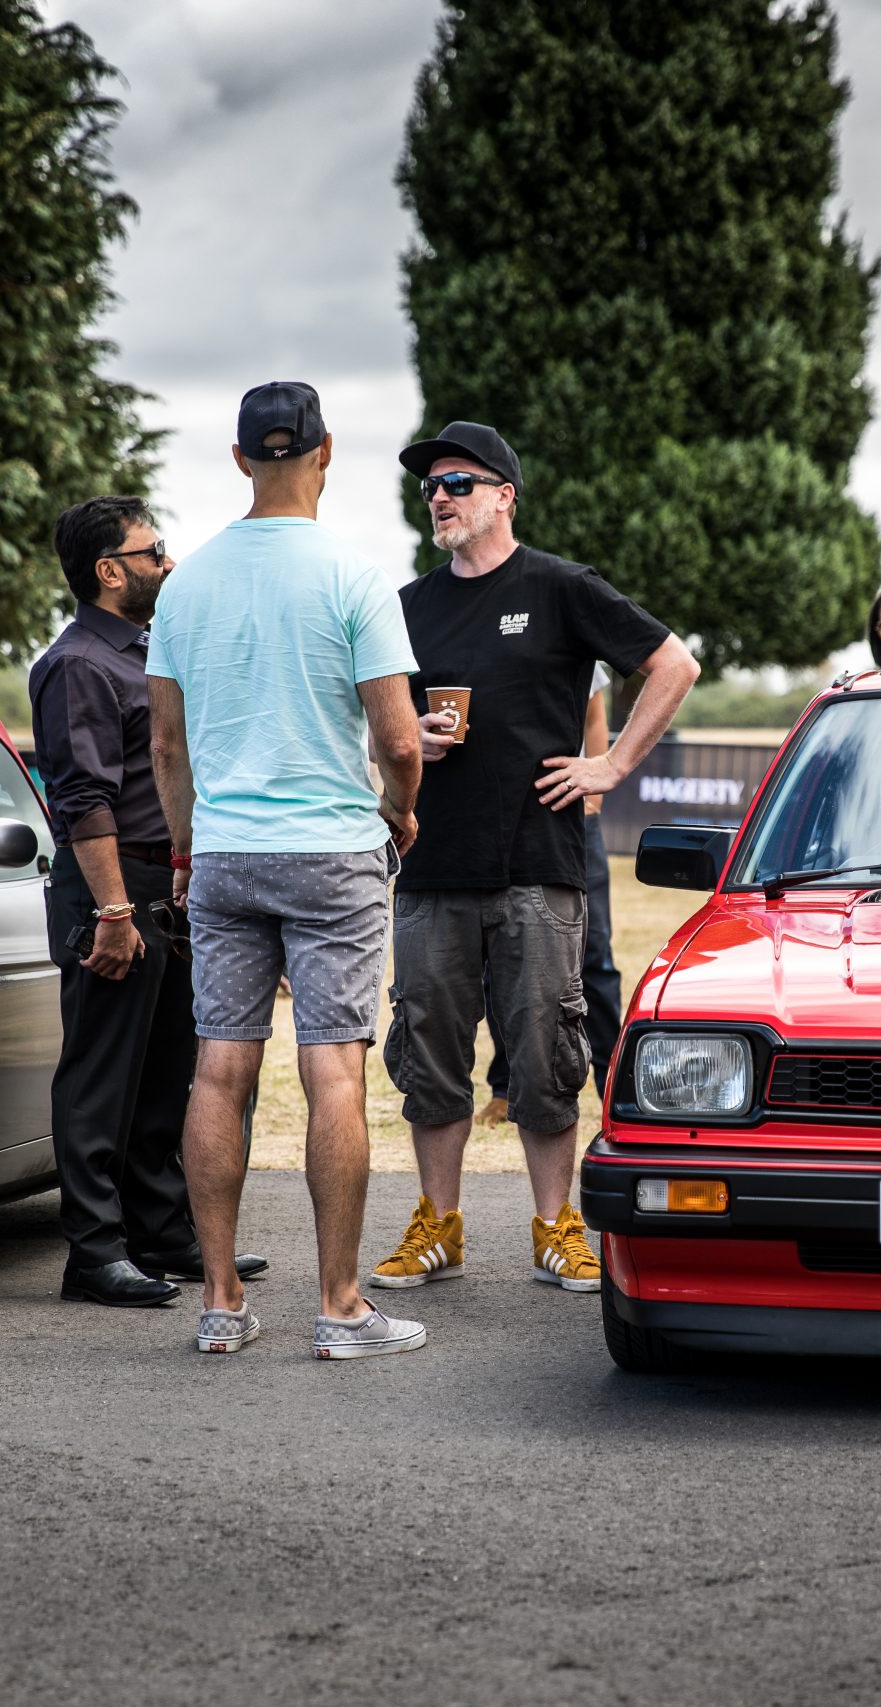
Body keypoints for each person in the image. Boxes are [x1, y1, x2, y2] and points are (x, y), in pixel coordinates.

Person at [372, 421, 701, 1299]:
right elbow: (372, 722)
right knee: (429, 1053)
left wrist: (614, 765)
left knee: (548, 1053)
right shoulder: (410, 606)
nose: (439, 496)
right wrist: (407, 747)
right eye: (431, 485)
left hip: (537, 867)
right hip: (432, 864)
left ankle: (558, 1227)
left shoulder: (559, 587)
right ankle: (438, 1225)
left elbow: (673, 662)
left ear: (504, 494)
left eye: (458, 482)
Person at [146, 380, 428, 1361]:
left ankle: (221, 1304)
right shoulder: (353, 577)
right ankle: (341, 1307)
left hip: (224, 848)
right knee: (334, 1070)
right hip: (332, 850)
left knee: (219, 1067)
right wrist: (400, 813)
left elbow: (168, 747)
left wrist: (185, 849)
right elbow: (399, 740)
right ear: (326, 453)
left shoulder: (185, 584)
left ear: (236, 460)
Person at [29, 496, 266, 1309]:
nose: (167, 561)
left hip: (162, 884)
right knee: (100, 1077)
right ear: (109, 570)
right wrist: (114, 911)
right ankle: (93, 1253)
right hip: (114, 887)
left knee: (167, 1075)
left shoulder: (147, 652)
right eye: (152, 549)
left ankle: (162, 1231)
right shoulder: (78, 664)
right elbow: (83, 799)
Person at [478, 668, 624, 1122]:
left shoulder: (562, 610)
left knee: (593, 954)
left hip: (571, 817)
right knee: (500, 954)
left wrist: (595, 795)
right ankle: (506, 1088)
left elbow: (593, 712)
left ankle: (615, 1088)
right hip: (501, 814)